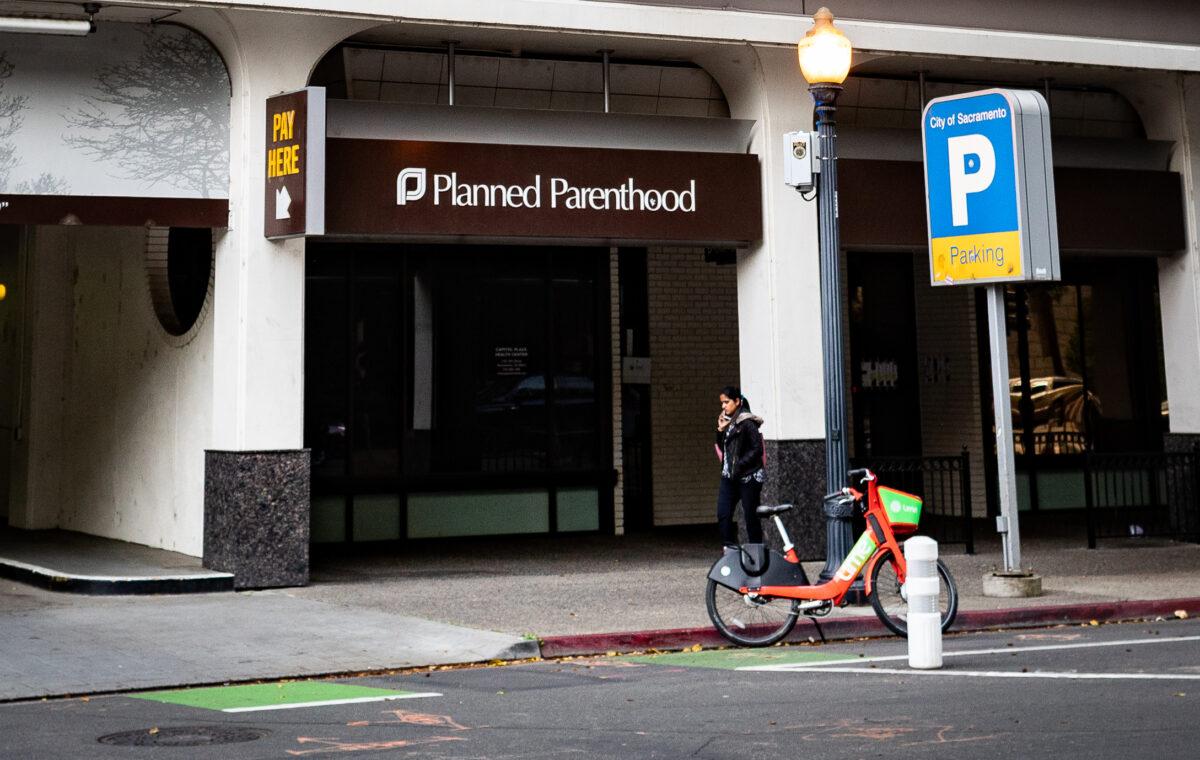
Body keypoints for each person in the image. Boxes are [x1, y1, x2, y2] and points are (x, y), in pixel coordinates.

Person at [715, 385, 765, 548]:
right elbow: (723, 448)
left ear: (737, 401)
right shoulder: (726, 421)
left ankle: (757, 553)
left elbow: (757, 449)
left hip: (748, 476)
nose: (723, 406)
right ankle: (729, 550)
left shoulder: (747, 422)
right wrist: (721, 430)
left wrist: (739, 464)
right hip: (729, 477)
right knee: (723, 514)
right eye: (722, 403)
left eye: (726, 402)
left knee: (751, 516)